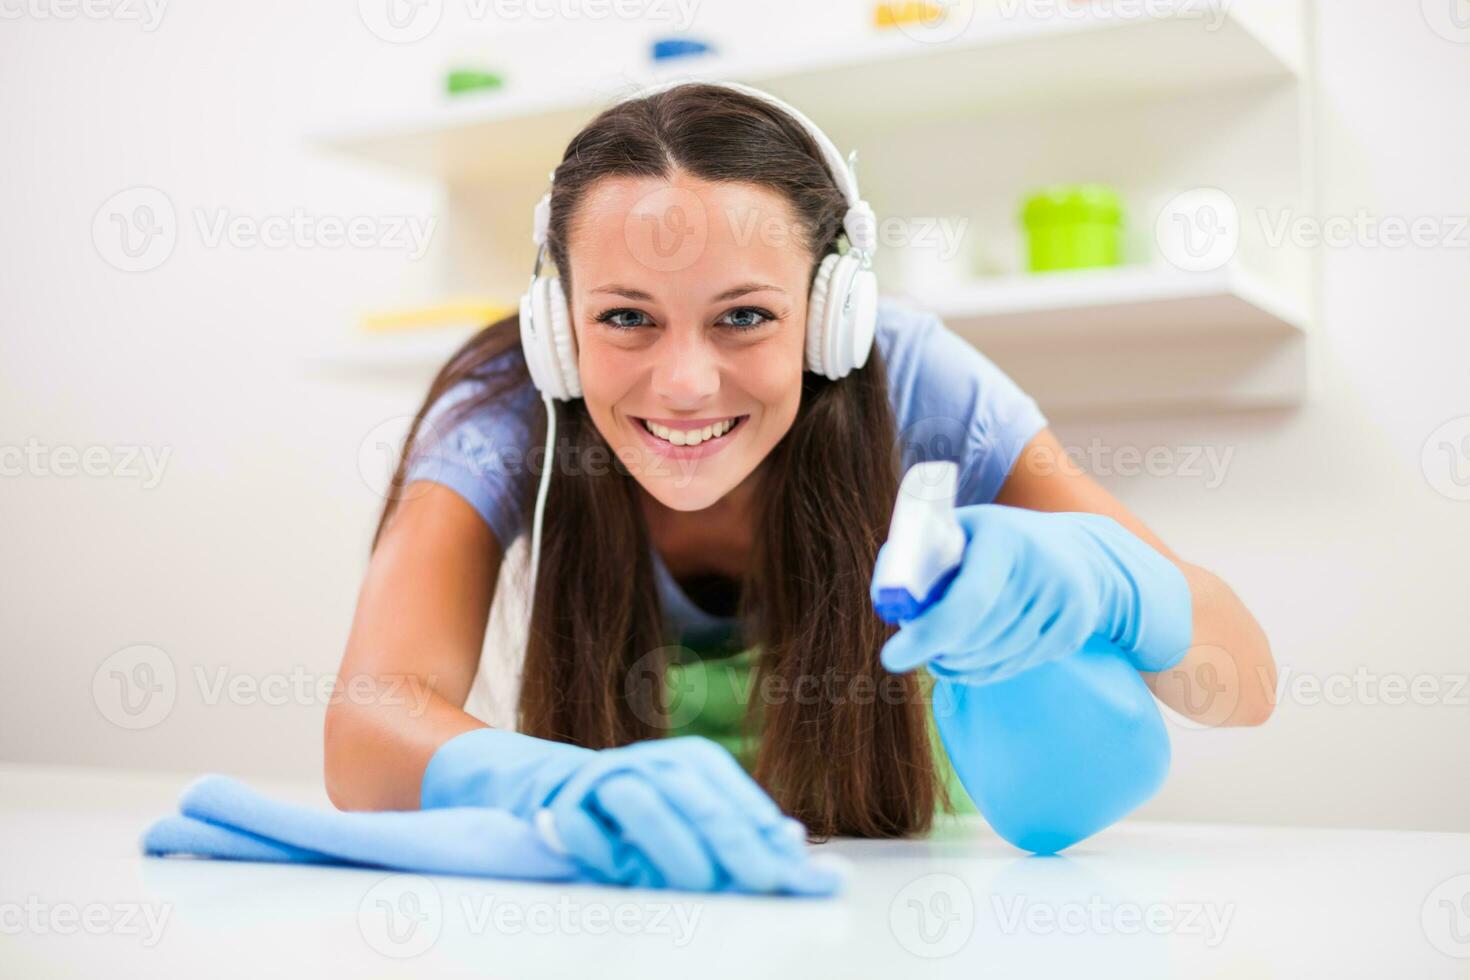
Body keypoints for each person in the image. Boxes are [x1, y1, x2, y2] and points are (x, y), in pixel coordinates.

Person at [324, 80, 1276, 892]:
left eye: (743, 315)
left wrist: (1114, 583)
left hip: (896, 899)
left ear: (833, 317)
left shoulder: (917, 384)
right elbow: (368, 720)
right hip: (622, 903)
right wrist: (550, 784)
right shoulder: (507, 406)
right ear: (555, 327)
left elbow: (1241, 685)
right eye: (624, 317)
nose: (686, 382)